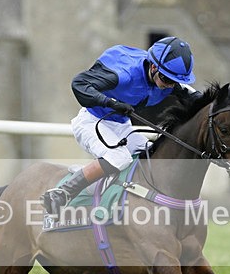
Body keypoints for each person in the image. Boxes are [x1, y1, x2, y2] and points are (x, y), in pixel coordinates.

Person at [42, 36, 202, 218]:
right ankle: (63, 193)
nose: (169, 86)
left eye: (174, 81)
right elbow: (79, 84)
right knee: (120, 158)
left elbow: (200, 99)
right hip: (92, 121)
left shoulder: (167, 78)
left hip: (120, 125)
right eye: (167, 79)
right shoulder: (123, 74)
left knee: (152, 156)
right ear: (153, 66)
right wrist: (110, 103)